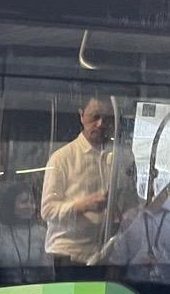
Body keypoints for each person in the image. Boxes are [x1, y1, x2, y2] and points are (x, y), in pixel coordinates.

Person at [41, 95, 137, 265]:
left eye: (107, 118)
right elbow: (47, 210)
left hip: (109, 255)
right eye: (95, 117)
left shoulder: (123, 157)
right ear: (81, 115)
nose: (101, 124)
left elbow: (131, 202)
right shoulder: (62, 158)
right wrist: (83, 205)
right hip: (69, 255)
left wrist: (127, 217)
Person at [93, 166, 170, 286]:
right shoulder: (130, 219)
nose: (147, 187)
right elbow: (115, 265)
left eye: (151, 181)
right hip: (131, 291)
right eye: (142, 182)